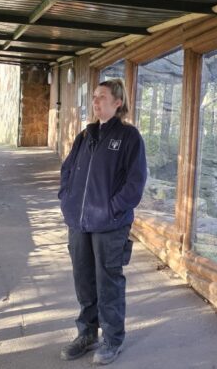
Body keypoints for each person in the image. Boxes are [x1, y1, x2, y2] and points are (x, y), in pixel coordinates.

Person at [57, 78, 147, 365]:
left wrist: (112, 210)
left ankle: (112, 338)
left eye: (102, 97)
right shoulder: (86, 135)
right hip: (79, 223)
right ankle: (87, 334)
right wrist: (67, 201)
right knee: (83, 281)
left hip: (110, 225)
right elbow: (68, 170)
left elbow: (135, 183)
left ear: (117, 102)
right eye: (94, 97)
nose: (95, 102)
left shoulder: (129, 137)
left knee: (108, 282)